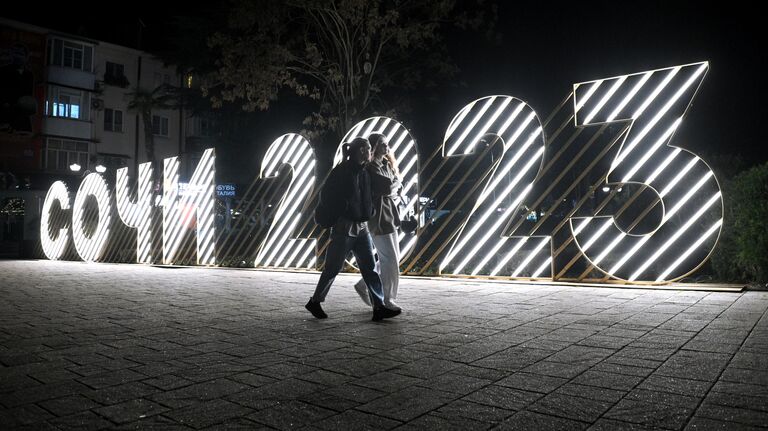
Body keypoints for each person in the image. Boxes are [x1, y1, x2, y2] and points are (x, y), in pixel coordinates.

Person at [305, 137, 401, 321]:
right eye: (362, 149)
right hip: (344, 228)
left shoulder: (365, 172)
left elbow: (372, 194)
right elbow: (326, 196)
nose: (366, 152)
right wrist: (342, 209)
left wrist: (370, 210)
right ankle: (315, 301)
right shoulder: (341, 171)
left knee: (370, 268)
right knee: (332, 268)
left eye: (367, 149)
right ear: (354, 151)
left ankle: (379, 306)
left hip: (362, 227)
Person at [353, 134, 403, 311]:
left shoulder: (385, 165)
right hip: (378, 217)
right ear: (374, 147)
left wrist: (392, 186)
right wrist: (392, 187)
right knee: (390, 259)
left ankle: (364, 285)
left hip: (389, 215)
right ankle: (387, 299)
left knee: (389, 257)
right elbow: (389, 186)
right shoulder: (370, 167)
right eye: (383, 144)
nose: (386, 148)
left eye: (387, 144)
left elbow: (397, 184)